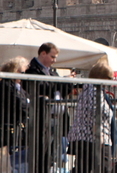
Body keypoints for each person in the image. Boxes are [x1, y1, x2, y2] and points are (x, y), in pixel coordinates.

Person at [24, 42, 74, 173]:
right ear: (43, 53)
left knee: (52, 154)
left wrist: (67, 82)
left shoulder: (51, 71)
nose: (54, 60)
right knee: (41, 152)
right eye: (52, 57)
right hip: (42, 117)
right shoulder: (32, 70)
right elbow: (40, 87)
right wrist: (58, 83)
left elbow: (61, 89)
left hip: (57, 118)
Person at [67, 62, 117, 173]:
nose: (111, 82)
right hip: (95, 138)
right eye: (110, 78)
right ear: (102, 77)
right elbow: (95, 113)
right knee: (104, 168)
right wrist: (98, 133)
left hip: (84, 138)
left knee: (82, 168)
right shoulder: (95, 92)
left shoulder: (86, 90)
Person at [0, 56, 30, 173]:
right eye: (23, 71)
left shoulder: (19, 87)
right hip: (10, 130)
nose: (24, 75)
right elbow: (20, 104)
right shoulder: (5, 85)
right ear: (15, 71)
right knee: (15, 164)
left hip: (19, 131)